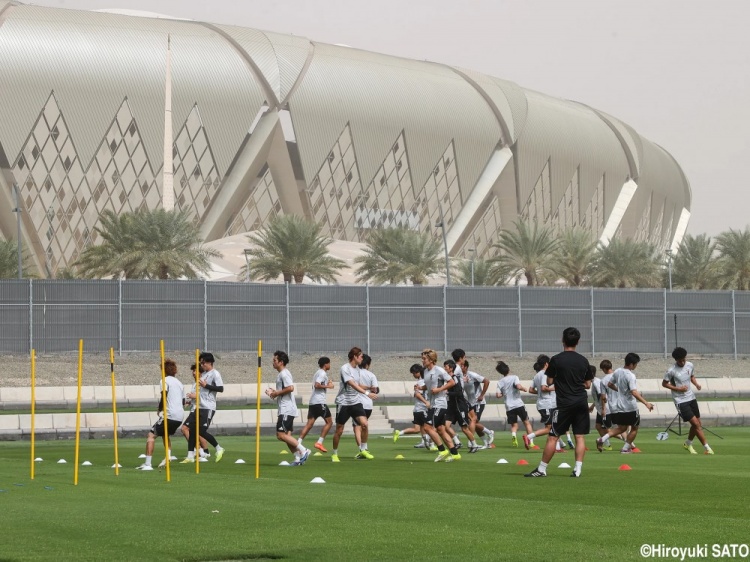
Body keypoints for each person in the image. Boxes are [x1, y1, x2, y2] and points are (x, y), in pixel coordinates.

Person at [525, 327, 593, 478]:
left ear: (563, 340)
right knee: (579, 436)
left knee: (553, 436)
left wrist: (562, 380)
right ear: (578, 342)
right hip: (581, 401)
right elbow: (588, 384)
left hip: (564, 403)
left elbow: (549, 381)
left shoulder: (556, 359)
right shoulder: (583, 360)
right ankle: (577, 469)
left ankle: (542, 469)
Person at [595, 353, 654, 454]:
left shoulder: (618, 371)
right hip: (630, 407)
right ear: (631, 364)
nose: (636, 366)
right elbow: (634, 392)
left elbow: (610, 384)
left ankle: (602, 439)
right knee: (634, 428)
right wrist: (646, 403)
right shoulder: (630, 375)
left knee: (622, 428)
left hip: (619, 407)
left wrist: (620, 391)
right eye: (636, 364)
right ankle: (625, 448)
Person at [662, 347, 714, 455]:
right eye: (679, 360)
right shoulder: (671, 370)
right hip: (680, 401)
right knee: (696, 424)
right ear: (676, 360)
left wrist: (696, 384)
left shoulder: (690, 365)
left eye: (683, 360)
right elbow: (664, 384)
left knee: (698, 423)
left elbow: (691, 376)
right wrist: (678, 389)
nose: (682, 362)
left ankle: (688, 443)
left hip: (691, 397)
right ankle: (707, 448)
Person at [137, 359, 184, 471]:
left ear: (164, 370)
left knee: (151, 435)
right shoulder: (179, 383)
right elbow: (183, 401)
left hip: (170, 415)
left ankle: (148, 464)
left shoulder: (164, 381)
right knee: (164, 434)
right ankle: (168, 456)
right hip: (180, 416)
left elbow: (164, 396)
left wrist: (160, 409)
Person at [331, 347, 376, 462]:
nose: (362, 358)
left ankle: (363, 450)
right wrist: (367, 393)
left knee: (364, 424)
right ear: (355, 356)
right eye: (361, 356)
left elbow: (358, 384)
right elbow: (351, 384)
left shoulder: (358, 370)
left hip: (356, 402)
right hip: (344, 402)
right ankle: (334, 453)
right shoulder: (345, 368)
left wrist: (370, 388)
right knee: (339, 430)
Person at [266, 350, 311, 466]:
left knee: (280, 435)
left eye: (275, 360)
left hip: (287, 409)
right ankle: (297, 458)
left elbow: (290, 388)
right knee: (286, 436)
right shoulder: (281, 374)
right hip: (285, 408)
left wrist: (276, 393)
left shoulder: (284, 374)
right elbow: (284, 390)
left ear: (281, 362)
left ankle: (304, 450)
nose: (273, 362)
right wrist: (274, 392)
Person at [181, 352, 225, 463]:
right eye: (201, 363)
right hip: (199, 406)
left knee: (201, 431)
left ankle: (218, 448)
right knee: (192, 430)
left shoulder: (215, 374)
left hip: (208, 407)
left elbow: (221, 388)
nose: (202, 365)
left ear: (210, 362)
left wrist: (206, 385)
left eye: (203, 363)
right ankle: (190, 456)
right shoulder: (204, 374)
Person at [421, 348, 460, 462]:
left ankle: (442, 450)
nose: (422, 361)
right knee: (440, 430)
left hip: (440, 403)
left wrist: (439, 389)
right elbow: (429, 386)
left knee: (427, 427)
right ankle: (455, 454)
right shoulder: (426, 371)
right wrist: (421, 387)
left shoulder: (439, 370)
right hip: (433, 404)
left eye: (424, 359)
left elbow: (452, 382)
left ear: (431, 360)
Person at [452, 349, 495, 449]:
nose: (460, 367)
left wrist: (482, 395)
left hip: (478, 402)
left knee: (473, 421)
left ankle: (486, 434)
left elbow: (487, 381)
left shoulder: (472, 375)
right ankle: (485, 443)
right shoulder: (459, 375)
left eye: (463, 366)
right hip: (469, 402)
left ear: (466, 367)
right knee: (472, 422)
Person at [298, 356, 334, 453]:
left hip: (313, 402)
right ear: (326, 364)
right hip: (319, 402)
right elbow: (317, 385)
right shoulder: (322, 373)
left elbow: (318, 384)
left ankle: (298, 443)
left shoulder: (317, 372)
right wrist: (329, 386)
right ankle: (319, 442)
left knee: (309, 424)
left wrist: (326, 384)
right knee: (329, 422)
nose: (330, 365)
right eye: (329, 363)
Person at [393, 364, 433, 449]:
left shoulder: (421, 382)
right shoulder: (422, 382)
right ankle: (431, 444)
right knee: (429, 426)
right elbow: (417, 395)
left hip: (418, 409)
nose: (413, 375)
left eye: (414, 373)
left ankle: (423, 442)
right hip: (422, 408)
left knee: (419, 428)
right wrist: (426, 402)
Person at [495, 361, 534, 447]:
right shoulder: (514, 377)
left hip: (509, 406)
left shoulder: (500, 382)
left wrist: (504, 393)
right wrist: (523, 388)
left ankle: (513, 436)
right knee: (526, 422)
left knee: (514, 425)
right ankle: (531, 442)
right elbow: (518, 386)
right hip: (518, 404)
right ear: (508, 369)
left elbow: (498, 395)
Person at [443, 359, 479, 452]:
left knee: (464, 428)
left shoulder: (455, 378)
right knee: (446, 425)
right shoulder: (447, 379)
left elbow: (459, 393)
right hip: (451, 406)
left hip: (459, 406)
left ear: (451, 368)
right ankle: (457, 442)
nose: (444, 369)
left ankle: (474, 445)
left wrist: (447, 393)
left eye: (446, 367)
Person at [179, 363, 210, 465]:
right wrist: (190, 401)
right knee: (197, 431)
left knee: (184, 429)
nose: (193, 373)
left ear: (200, 372)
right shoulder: (195, 383)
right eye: (193, 371)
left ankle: (199, 451)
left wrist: (194, 396)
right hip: (194, 408)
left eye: (195, 371)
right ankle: (205, 452)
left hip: (198, 410)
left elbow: (204, 395)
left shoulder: (202, 382)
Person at [352, 354, 379, 458]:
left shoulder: (355, 373)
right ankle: (365, 448)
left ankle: (362, 450)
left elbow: (353, 385)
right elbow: (375, 390)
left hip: (358, 404)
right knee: (364, 426)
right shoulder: (371, 375)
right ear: (368, 364)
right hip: (368, 405)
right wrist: (370, 388)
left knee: (357, 427)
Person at [589, 362, 612, 450]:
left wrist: (603, 409)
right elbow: (598, 398)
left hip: (604, 409)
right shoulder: (594, 382)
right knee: (598, 426)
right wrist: (593, 406)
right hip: (600, 409)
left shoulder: (596, 382)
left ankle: (627, 441)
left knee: (608, 430)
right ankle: (607, 444)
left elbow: (602, 396)